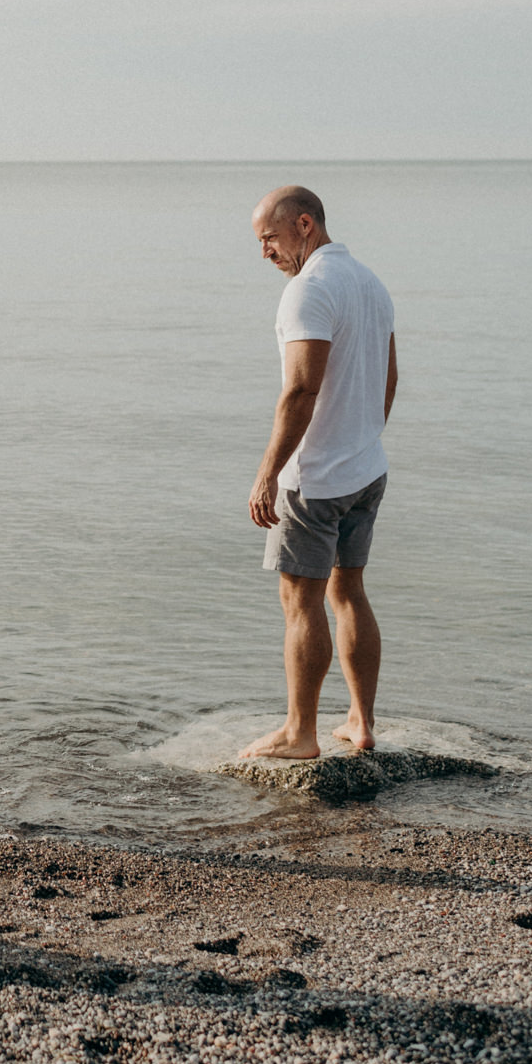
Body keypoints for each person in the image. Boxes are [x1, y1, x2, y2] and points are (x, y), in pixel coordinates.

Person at [240, 185, 397, 761]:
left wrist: (266, 474)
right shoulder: (370, 282)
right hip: (365, 470)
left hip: (315, 478)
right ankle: (360, 721)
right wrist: (362, 439)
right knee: (349, 591)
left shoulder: (307, 290)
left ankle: (299, 732)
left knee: (299, 601)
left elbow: (302, 388)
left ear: (304, 225)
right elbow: (388, 379)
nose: (265, 253)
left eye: (269, 239)